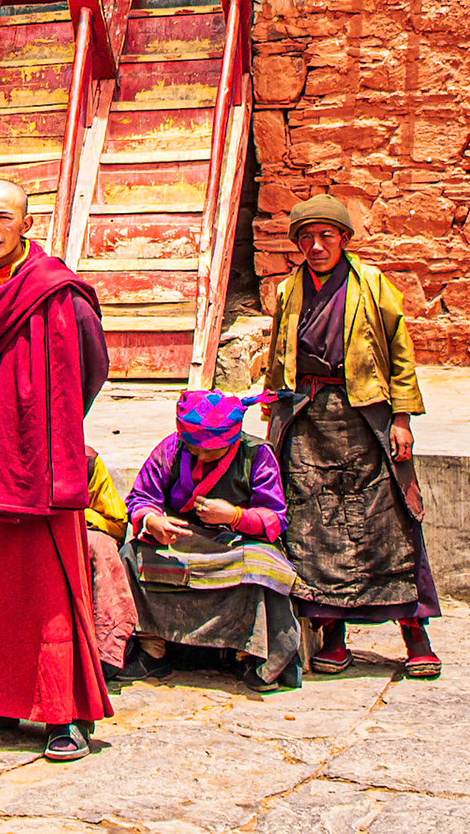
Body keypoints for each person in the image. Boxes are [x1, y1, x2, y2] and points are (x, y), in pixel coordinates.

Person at [0, 178, 112, 764]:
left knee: (48, 586)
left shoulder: (56, 291)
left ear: (26, 224)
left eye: (3, 217)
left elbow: (91, 368)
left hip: (37, 459)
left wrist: (44, 429)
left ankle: (64, 712)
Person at [264, 195, 440, 678]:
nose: (316, 246)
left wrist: (402, 418)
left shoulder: (372, 284)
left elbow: (400, 352)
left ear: (344, 239)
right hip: (306, 418)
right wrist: (272, 409)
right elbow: (278, 355)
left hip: (366, 415)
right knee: (312, 525)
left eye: (326, 236)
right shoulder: (289, 290)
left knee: (390, 521)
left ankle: (415, 635)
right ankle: (334, 637)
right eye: (306, 238)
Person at [120, 389, 302, 691]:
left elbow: (275, 517)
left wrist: (234, 516)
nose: (201, 457)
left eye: (211, 451)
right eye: (194, 448)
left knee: (263, 568)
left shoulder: (256, 454)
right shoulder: (170, 449)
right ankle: (153, 649)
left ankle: (250, 654)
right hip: (181, 541)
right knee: (130, 556)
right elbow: (142, 497)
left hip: (236, 544)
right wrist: (153, 521)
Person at [83, 448, 140, 683]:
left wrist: (80, 518)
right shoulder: (2, 455)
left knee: (100, 544)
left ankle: (106, 651)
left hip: (79, 538)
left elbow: (117, 525)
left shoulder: (86, 461)